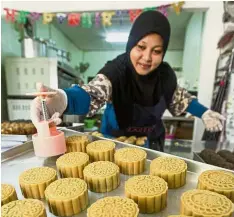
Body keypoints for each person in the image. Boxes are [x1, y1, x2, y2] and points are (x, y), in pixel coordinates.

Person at [30, 11, 225, 151]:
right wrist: (63, 100)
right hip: (115, 143)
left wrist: (205, 113)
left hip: (151, 143)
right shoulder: (117, 71)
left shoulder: (165, 76)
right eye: (141, 47)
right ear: (131, 44)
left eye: (156, 51)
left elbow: (181, 98)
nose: (147, 57)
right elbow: (93, 92)